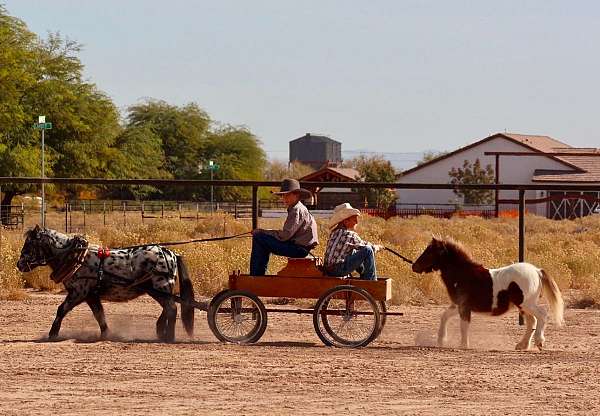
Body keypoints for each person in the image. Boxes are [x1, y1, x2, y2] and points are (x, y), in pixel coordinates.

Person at [250, 178, 318, 276]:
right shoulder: (299, 208)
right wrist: (265, 232)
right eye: (283, 195)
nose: (284, 198)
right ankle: (258, 275)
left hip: (298, 249)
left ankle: (256, 276)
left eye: (287, 195)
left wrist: (263, 232)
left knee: (259, 237)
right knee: (262, 238)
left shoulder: (296, 210)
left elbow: (285, 235)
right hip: (301, 248)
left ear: (297, 195)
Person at [323, 203, 383, 280]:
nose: (356, 222)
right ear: (345, 221)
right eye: (354, 219)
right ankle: (371, 280)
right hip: (338, 270)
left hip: (328, 270)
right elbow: (366, 247)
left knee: (354, 251)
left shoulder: (334, 233)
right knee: (368, 250)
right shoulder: (349, 235)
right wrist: (378, 247)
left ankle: (364, 275)